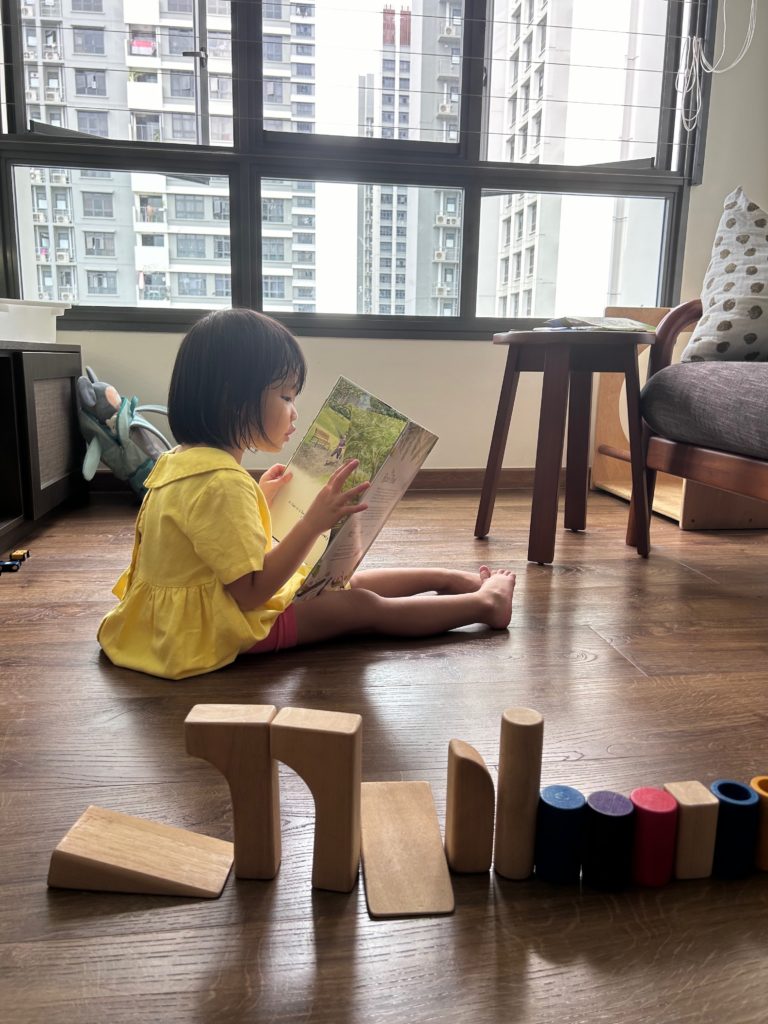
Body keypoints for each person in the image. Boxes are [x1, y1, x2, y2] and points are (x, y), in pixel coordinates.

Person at [98, 308, 516, 680]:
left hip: (168, 622)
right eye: (285, 396)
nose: (294, 411)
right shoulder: (221, 482)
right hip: (208, 632)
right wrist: (313, 522)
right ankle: (485, 606)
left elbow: (201, 537)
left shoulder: (181, 461)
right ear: (233, 399)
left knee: (336, 584)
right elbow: (251, 592)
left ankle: (449, 580)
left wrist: (261, 495)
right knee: (356, 606)